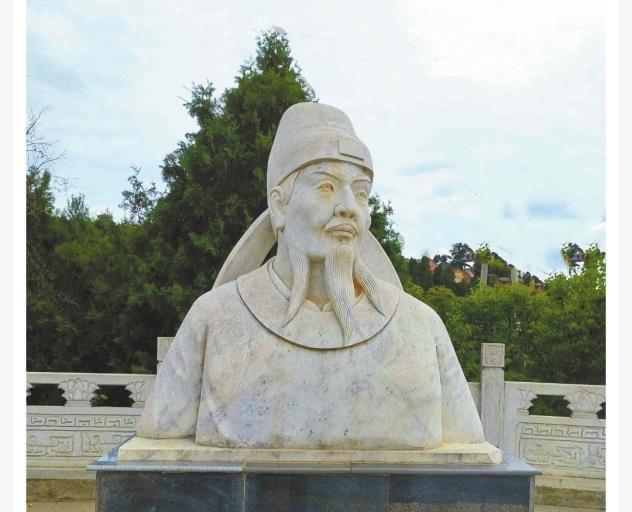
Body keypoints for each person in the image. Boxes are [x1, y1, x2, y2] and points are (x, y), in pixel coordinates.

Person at [137, 102, 485, 451]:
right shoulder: (214, 319)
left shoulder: (421, 327)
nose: (349, 207)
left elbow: (468, 444)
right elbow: (158, 435)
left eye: (361, 193)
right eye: (326, 187)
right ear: (279, 205)